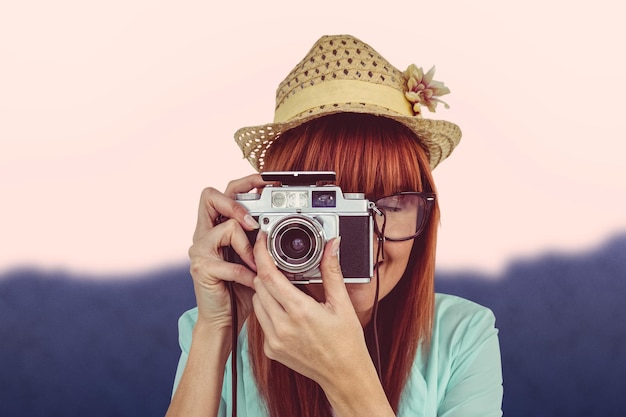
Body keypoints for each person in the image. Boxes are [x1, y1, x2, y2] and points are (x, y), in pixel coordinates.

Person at [166, 34, 503, 417]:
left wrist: (345, 375)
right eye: (327, 214)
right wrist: (218, 330)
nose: (360, 243)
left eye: (393, 205)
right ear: (270, 216)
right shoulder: (213, 325)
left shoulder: (463, 336)